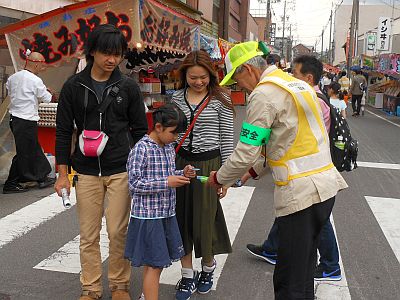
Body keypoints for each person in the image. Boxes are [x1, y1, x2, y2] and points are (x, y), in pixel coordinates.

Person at [208, 42, 348, 299]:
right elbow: (286, 144)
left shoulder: (264, 94)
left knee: (288, 280)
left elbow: (245, 151)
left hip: (300, 194)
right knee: (304, 269)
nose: (239, 88)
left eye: (237, 80)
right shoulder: (296, 85)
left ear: (247, 70)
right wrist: (250, 173)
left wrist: (219, 178)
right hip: (325, 188)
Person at [55, 24, 148, 300]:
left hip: (121, 167)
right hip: (84, 170)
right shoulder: (73, 86)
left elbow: (140, 131)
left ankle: (119, 285)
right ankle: (91, 288)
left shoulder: (128, 87)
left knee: (118, 232)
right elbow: (63, 131)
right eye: (107, 53)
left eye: (117, 54)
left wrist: (141, 167)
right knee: (88, 234)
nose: (112, 60)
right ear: (92, 51)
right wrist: (62, 174)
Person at [246, 55, 344, 282]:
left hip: (307, 175)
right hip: (303, 175)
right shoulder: (305, 94)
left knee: (314, 228)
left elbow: (282, 140)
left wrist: (224, 178)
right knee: (293, 217)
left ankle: (330, 265)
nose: (290, 77)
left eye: (295, 73)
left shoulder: (310, 98)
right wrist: (252, 171)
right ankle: (272, 248)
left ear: (308, 77)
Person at [172, 50, 234, 300]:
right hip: (180, 164)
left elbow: (227, 140)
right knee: (180, 220)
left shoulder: (222, 100)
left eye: (203, 78)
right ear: (184, 76)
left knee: (206, 221)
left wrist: (226, 177)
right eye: (193, 78)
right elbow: (171, 135)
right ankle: (187, 274)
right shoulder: (175, 99)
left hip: (210, 165)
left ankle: (208, 268)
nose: (198, 82)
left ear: (212, 75)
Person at [124, 104, 195, 300]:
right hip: (148, 217)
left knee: (155, 263)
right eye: (173, 132)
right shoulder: (141, 149)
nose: (175, 137)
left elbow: (168, 175)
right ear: (158, 127)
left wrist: (182, 173)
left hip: (165, 213)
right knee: (155, 265)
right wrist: (167, 182)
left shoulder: (168, 147)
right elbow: (134, 184)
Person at [3, 51, 55, 194]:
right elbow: (47, 98)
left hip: (15, 118)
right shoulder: (35, 80)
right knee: (24, 152)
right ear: (36, 64)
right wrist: (48, 91)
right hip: (26, 119)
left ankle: (41, 177)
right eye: (42, 64)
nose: (43, 67)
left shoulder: (13, 78)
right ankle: (11, 183)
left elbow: (11, 91)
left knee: (33, 149)